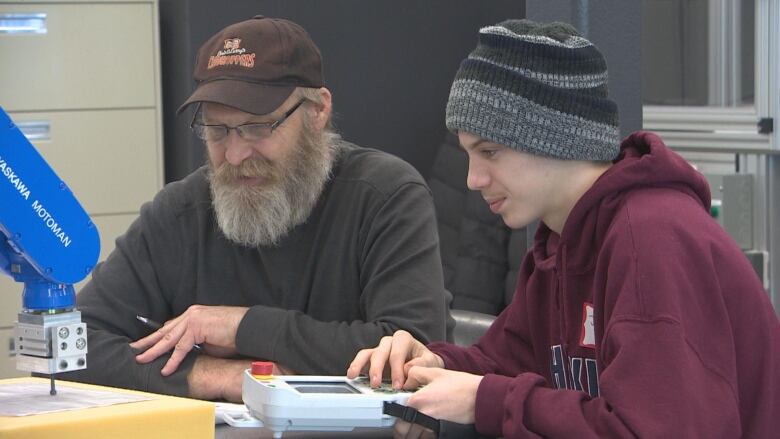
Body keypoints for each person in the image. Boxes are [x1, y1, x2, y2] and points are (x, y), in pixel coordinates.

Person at [348, 19, 780, 438]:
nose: (472, 179)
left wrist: (486, 400)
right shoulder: (561, 243)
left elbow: (660, 428)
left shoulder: (651, 238)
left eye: (490, 152)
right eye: (468, 155)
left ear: (556, 140)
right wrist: (431, 366)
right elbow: (505, 363)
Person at [60, 15, 450, 402]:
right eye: (217, 129)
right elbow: (71, 348)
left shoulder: (385, 196)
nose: (233, 154)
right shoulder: (180, 212)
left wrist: (239, 326)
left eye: (258, 127)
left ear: (317, 112)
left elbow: (414, 351)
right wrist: (221, 377)